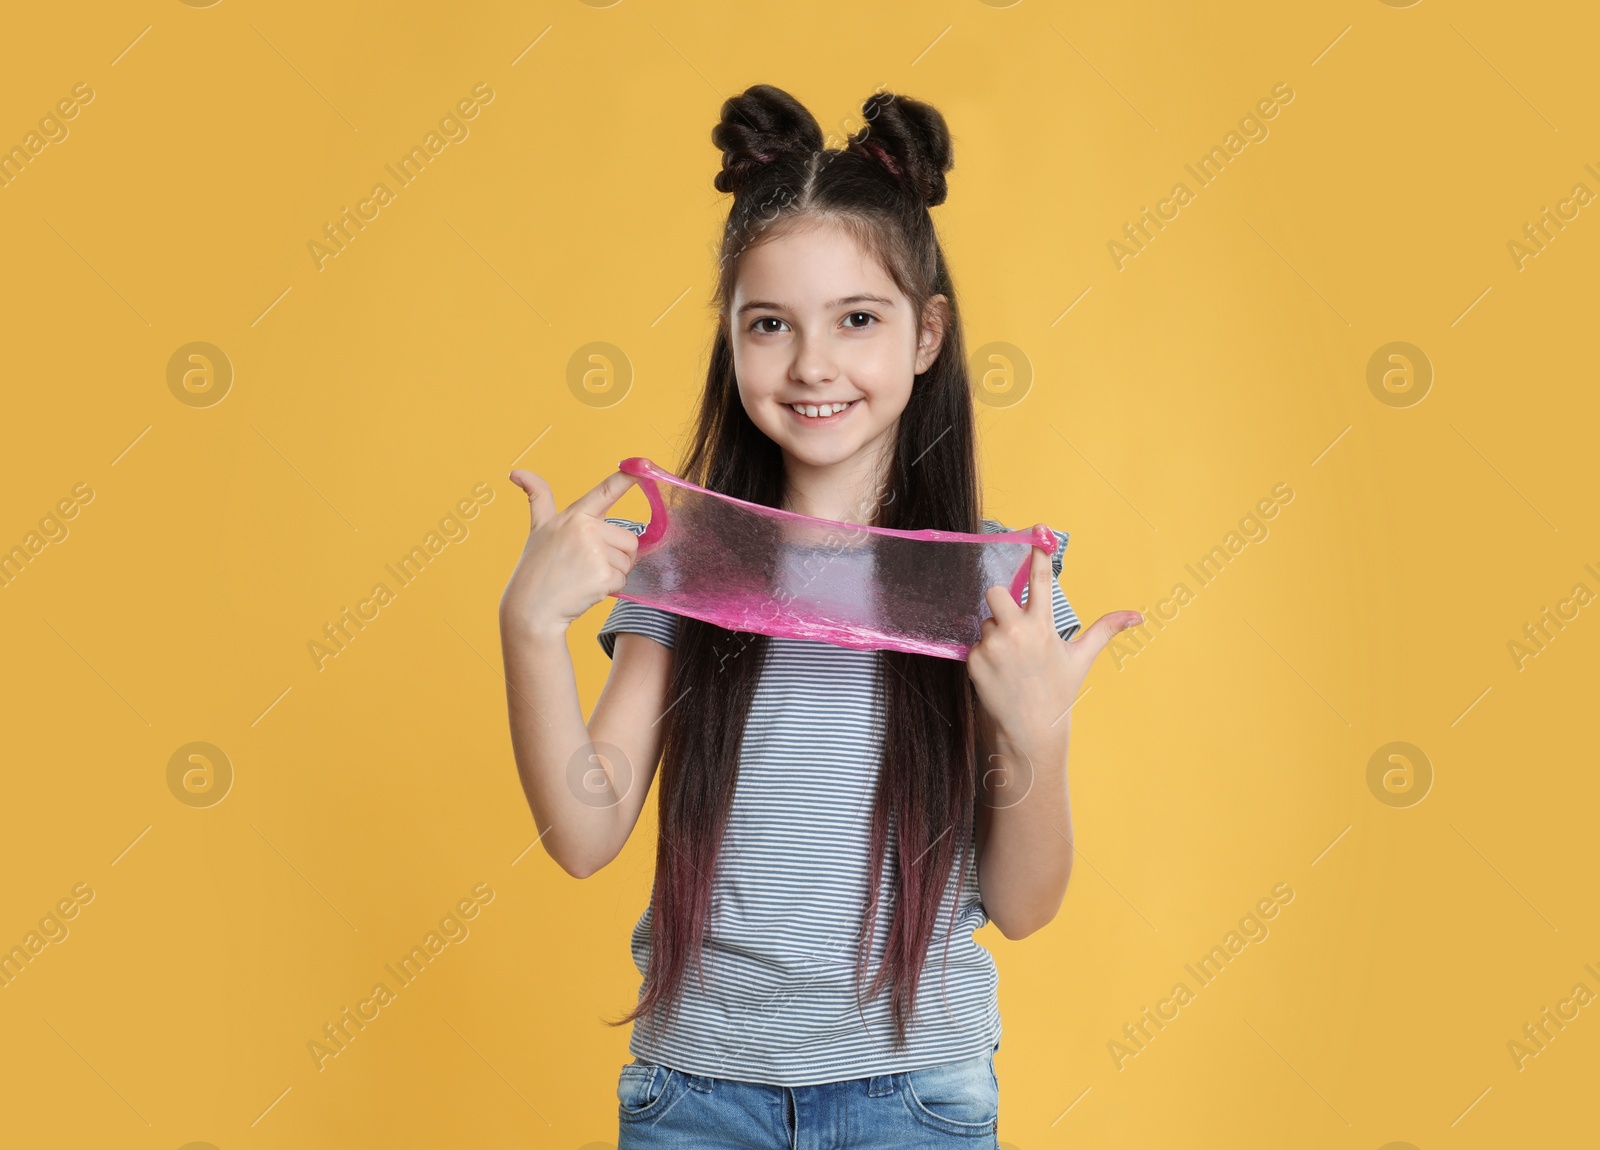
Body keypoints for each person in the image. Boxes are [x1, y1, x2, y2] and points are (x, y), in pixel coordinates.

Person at [497, 82, 1141, 1149]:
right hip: (696, 1096)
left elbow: (1024, 907)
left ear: (926, 334)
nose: (810, 364)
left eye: (857, 319)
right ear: (730, 340)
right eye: (768, 325)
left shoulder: (994, 591)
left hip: (913, 1096)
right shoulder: (689, 560)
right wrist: (528, 630)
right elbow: (585, 829)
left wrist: (1037, 730)